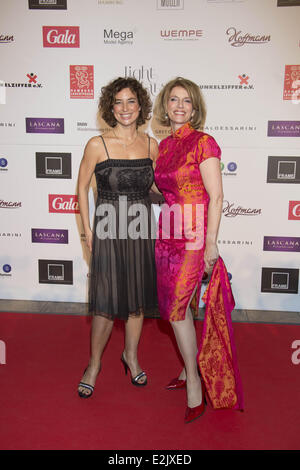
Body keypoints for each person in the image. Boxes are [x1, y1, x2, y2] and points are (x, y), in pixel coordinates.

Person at [77, 77, 158, 398]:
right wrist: (87, 232)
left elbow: (156, 188)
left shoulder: (152, 145)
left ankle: (131, 356)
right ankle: (93, 365)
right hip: (108, 226)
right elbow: (81, 189)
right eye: (118, 103)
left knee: (137, 303)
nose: (125, 109)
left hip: (141, 228)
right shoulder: (98, 144)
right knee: (106, 306)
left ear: (141, 107)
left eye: (131, 102)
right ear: (111, 108)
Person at [153, 77, 223, 423]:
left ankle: (195, 383)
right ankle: (188, 368)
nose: (179, 106)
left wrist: (210, 243)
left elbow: (217, 195)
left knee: (178, 312)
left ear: (195, 107)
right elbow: (160, 189)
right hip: (166, 235)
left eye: (186, 101)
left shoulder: (204, 143)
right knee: (178, 309)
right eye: (173, 100)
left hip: (194, 239)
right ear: (165, 106)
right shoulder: (164, 146)